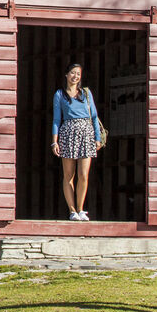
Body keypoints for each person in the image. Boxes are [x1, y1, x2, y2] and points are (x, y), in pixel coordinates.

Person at [51, 62, 103, 221]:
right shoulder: (60, 94)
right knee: (69, 175)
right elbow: (56, 119)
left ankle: (81, 209)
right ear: (66, 75)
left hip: (86, 133)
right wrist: (55, 141)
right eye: (72, 73)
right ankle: (72, 211)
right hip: (68, 133)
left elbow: (93, 116)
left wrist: (97, 138)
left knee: (83, 174)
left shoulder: (86, 94)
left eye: (78, 74)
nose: (75, 76)